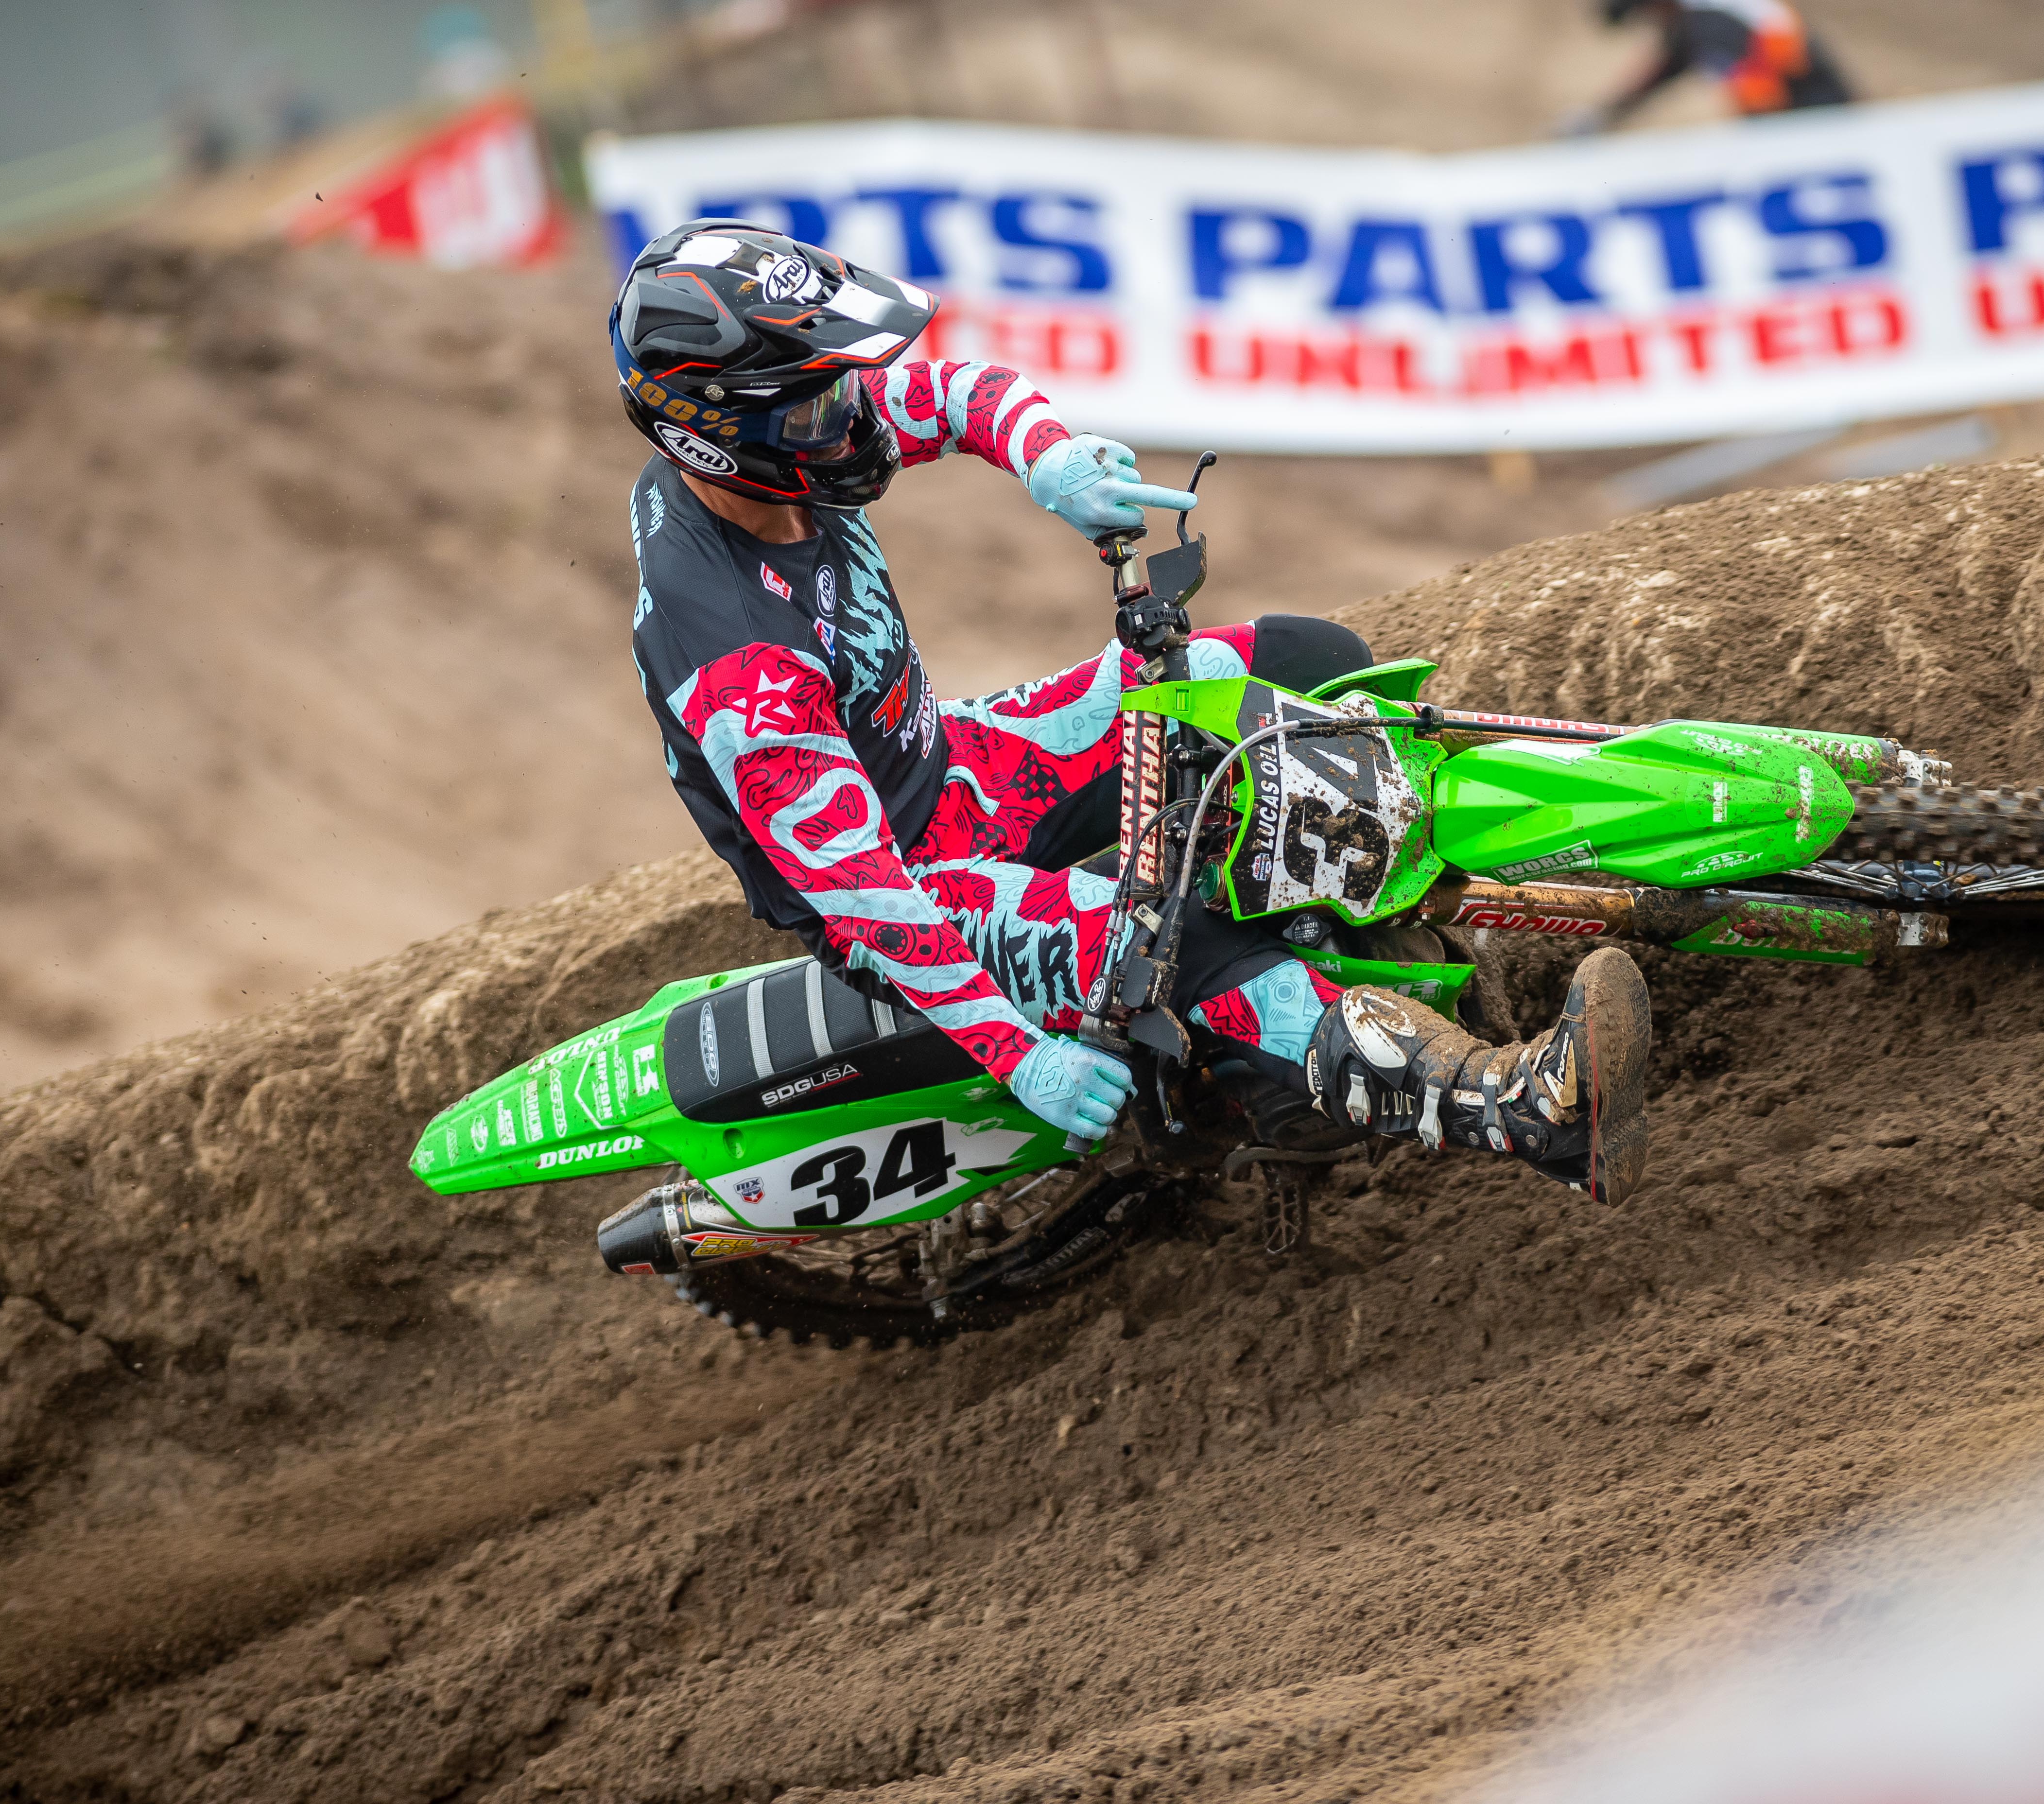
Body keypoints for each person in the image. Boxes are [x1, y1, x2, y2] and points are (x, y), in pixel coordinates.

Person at [613, 221, 1649, 1200]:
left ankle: (1408, 906)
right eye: (816, 404)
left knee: (1305, 661)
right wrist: (1020, 1058)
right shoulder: (740, 666)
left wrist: (1047, 455)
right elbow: (863, 895)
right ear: (718, 431)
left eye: (842, 385)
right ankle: (1523, 1113)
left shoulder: (777, 442)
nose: (852, 415)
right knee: (1182, 940)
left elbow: (955, 391)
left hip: (959, 764)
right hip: (914, 888)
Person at [1559, 0, 1854, 136]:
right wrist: (1602, 116)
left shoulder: (1710, 25)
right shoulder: (1699, 20)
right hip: (1811, 117)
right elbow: (1658, 76)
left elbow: (1762, 98)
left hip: (1817, 121)